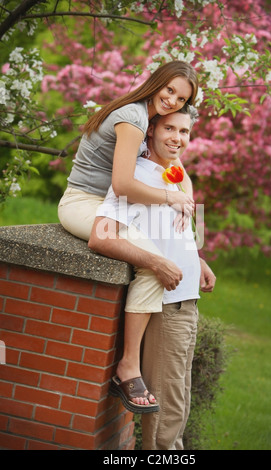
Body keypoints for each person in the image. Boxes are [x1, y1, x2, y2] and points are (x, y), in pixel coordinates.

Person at [59, 61, 201, 404]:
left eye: (181, 99)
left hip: (111, 202)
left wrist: (186, 197)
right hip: (84, 204)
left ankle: (129, 364)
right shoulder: (134, 118)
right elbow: (123, 184)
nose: (172, 101)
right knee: (154, 264)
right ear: (157, 83)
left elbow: (176, 165)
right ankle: (128, 367)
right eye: (169, 90)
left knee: (159, 247)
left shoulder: (149, 117)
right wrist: (172, 196)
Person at [88, 106, 216, 422]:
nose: (177, 138)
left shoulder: (173, 175)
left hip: (188, 302)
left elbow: (182, 222)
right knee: (167, 415)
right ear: (150, 131)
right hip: (166, 305)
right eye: (169, 129)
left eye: (184, 131)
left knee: (180, 400)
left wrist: (197, 258)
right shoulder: (137, 179)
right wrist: (157, 264)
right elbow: (101, 237)